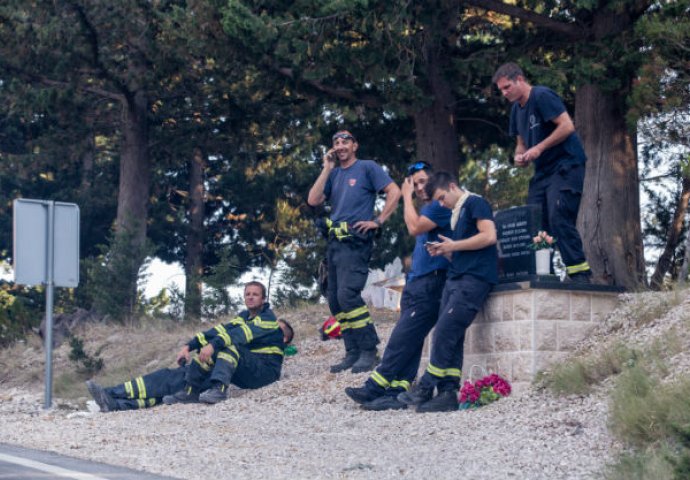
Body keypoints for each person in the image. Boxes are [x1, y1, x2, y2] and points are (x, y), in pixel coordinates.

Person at [86, 281, 294, 411]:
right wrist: (190, 345)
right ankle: (113, 398)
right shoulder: (243, 317)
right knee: (171, 378)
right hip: (243, 369)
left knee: (228, 348)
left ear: (264, 298)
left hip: (264, 372)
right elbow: (219, 332)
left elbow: (237, 337)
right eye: (247, 293)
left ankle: (218, 390)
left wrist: (213, 347)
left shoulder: (268, 320)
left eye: (255, 294)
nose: (250, 297)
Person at [344, 161, 452, 411]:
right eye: (414, 184)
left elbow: (413, 228)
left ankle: (375, 386)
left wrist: (405, 195)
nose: (419, 187)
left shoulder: (439, 206)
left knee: (402, 337)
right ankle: (396, 392)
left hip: (433, 280)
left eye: (423, 181)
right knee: (411, 338)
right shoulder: (427, 208)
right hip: (419, 280)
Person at [397, 172, 498, 413]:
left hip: (474, 280)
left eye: (442, 198)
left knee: (444, 330)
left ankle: (425, 386)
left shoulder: (476, 203)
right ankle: (447, 392)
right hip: (455, 277)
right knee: (452, 336)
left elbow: (489, 236)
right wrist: (446, 250)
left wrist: (454, 245)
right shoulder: (455, 214)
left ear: (453, 186)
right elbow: (464, 250)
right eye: (438, 202)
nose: (442, 204)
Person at [308, 130, 401, 374]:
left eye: (345, 142)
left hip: (356, 241)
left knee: (349, 295)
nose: (340, 146)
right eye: (336, 142)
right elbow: (313, 199)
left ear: (355, 145)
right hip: (334, 243)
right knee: (335, 299)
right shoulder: (334, 172)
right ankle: (352, 351)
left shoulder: (367, 167)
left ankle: (370, 350)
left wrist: (378, 221)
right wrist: (326, 168)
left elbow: (395, 192)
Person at [492, 62, 592, 283]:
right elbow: (520, 143)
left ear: (520, 79)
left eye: (507, 87)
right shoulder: (515, 110)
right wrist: (520, 156)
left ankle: (579, 274)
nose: (504, 93)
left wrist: (539, 147)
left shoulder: (542, 95)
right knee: (534, 222)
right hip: (543, 172)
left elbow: (567, 126)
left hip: (566, 164)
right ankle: (546, 274)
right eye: (501, 90)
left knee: (558, 216)